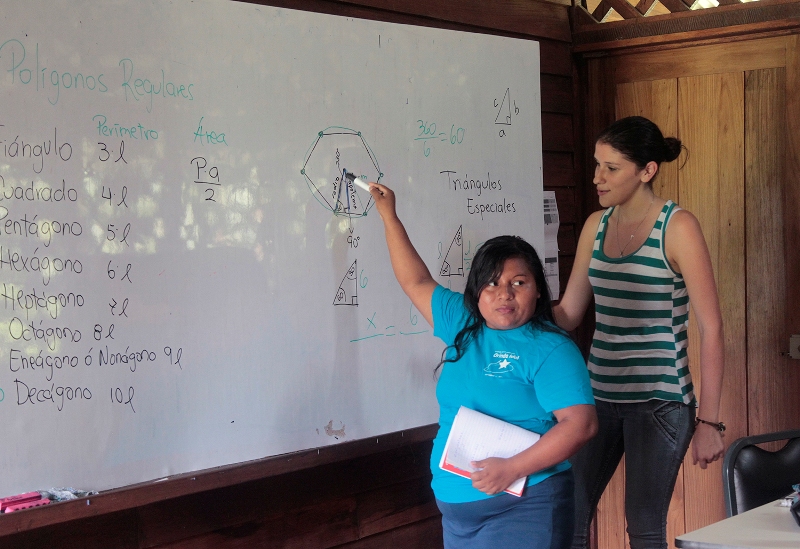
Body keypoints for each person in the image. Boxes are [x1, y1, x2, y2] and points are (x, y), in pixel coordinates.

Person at [368, 181, 598, 549]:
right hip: (458, 515)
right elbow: (415, 280)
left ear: (538, 289)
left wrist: (512, 469)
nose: (504, 293)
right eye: (491, 284)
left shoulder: (551, 348)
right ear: (476, 293)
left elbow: (581, 425)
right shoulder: (463, 323)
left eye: (518, 282)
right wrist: (389, 216)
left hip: (526, 505)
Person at [553, 116, 726, 549]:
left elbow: (712, 327)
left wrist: (709, 423)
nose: (598, 177)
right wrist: (511, 310)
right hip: (598, 398)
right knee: (568, 513)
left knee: (644, 526)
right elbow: (570, 314)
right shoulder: (596, 225)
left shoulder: (678, 226)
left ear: (647, 170)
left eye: (611, 168)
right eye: (597, 165)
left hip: (660, 403)